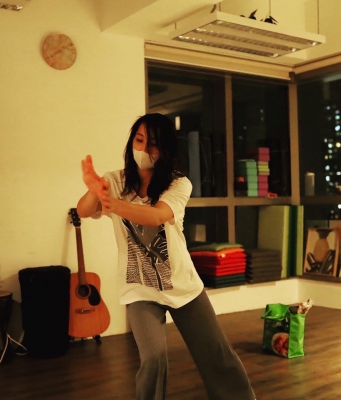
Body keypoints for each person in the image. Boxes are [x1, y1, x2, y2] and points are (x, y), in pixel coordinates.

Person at [77, 113, 256, 400]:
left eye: (153, 144)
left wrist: (114, 204)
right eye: (139, 140)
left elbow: (157, 215)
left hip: (182, 284)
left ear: (166, 149)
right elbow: (84, 210)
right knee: (153, 358)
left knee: (216, 354)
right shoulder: (115, 181)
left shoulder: (178, 184)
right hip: (139, 288)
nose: (144, 149)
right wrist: (93, 191)